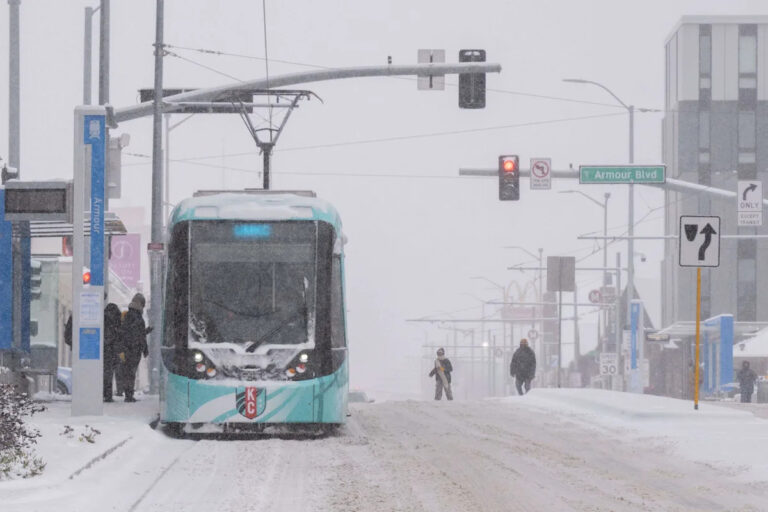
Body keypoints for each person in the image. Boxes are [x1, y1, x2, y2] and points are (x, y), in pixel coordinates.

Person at [119, 293, 152, 403]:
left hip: (125, 348)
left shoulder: (126, 315)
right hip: (134, 349)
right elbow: (140, 335)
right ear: (140, 304)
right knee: (131, 373)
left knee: (127, 372)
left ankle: (127, 393)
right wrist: (145, 350)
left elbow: (126, 332)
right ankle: (129, 396)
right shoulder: (138, 318)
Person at [103, 303, 122, 402]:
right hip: (111, 351)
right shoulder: (115, 321)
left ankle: (105, 394)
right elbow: (117, 336)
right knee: (109, 374)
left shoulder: (103, 319)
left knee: (106, 374)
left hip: (105, 351)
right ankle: (108, 395)